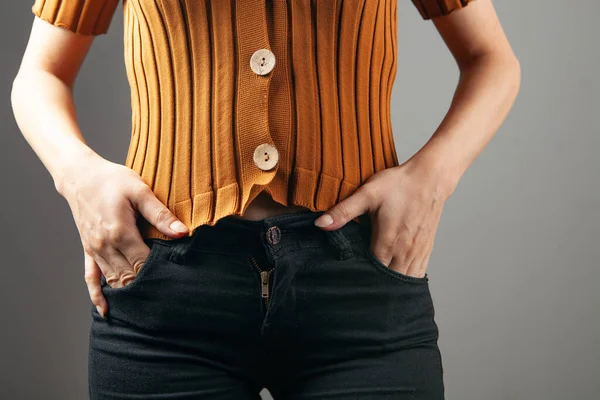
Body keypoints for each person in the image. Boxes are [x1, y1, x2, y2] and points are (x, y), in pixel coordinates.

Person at [11, 0, 520, 398]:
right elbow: (40, 73)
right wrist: (78, 177)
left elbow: (492, 59)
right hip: (166, 292)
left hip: (359, 284)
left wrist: (432, 179)